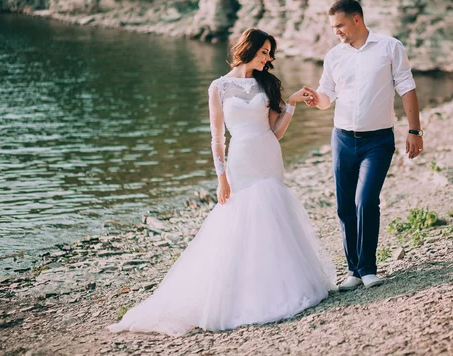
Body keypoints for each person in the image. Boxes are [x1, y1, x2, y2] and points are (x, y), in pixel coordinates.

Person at [106, 28, 336, 337]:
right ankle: (237, 292)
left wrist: (291, 104)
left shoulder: (266, 83)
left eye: (270, 53)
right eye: (264, 51)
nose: (268, 57)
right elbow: (217, 139)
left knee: (272, 217)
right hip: (240, 160)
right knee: (239, 221)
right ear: (248, 48)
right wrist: (221, 178)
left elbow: (275, 133)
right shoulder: (219, 87)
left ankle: (276, 285)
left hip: (268, 156)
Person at [303, 0, 423, 292]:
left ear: (357, 19)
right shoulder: (333, 56)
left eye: (340, 25)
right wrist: (313, 99)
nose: (337, 32)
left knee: (366, 201)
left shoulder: (389, 47)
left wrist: (415, 130)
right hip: (342, 138)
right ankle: (354, 270)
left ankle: (369, 268)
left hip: (378, 140)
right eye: (333, 27)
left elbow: (406, 87)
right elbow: (327, 96)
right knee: (345, 207)